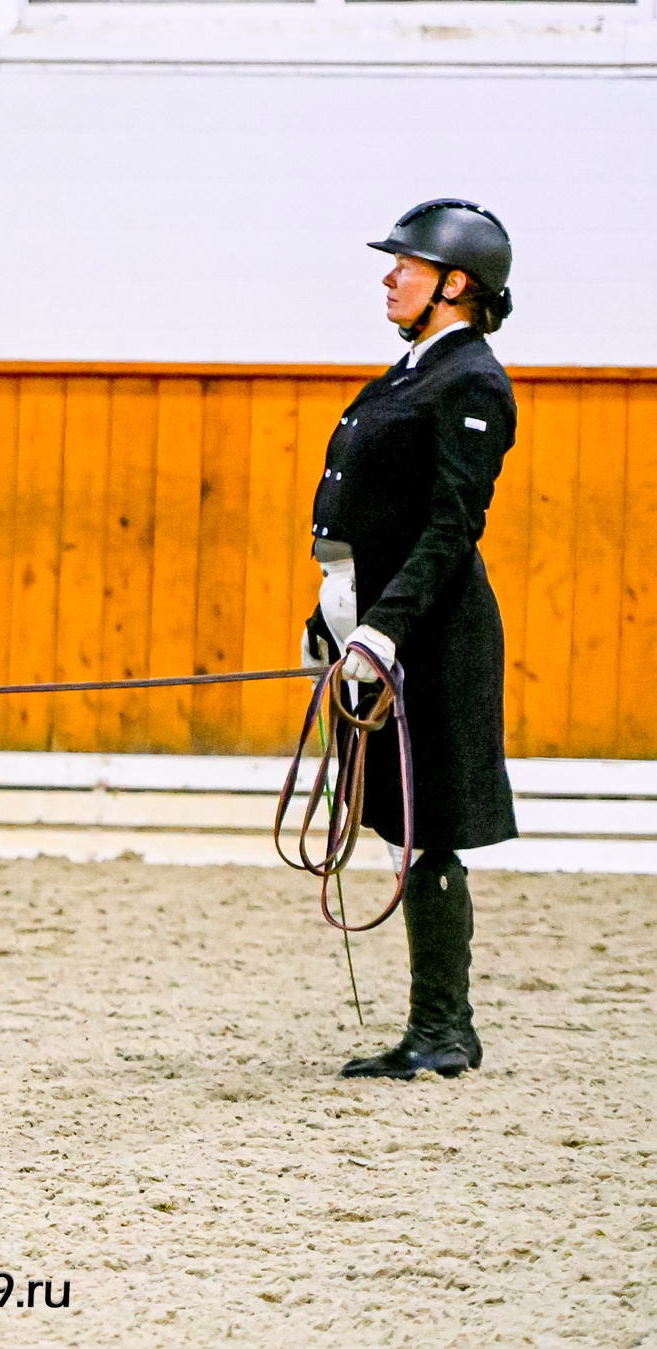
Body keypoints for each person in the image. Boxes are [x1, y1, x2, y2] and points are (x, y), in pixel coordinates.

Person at [303, 198, 519, 1081]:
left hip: (431, 635)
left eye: (406, 265)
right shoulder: (409, 372)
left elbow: (449, 525)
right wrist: (333, 621)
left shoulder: (469, 380)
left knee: (429, 830)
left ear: (453, 283)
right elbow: (364, 513)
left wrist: (386, 632)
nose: (390, 275)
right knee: (403, 823)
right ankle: (435, 1025)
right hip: (375, 621)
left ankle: (443, 1027)